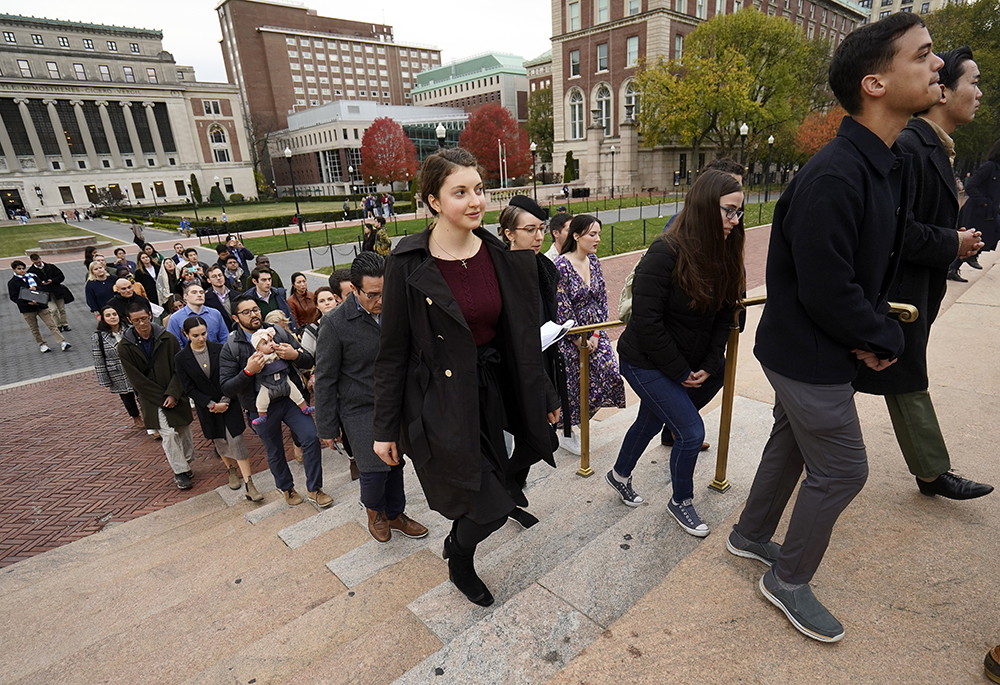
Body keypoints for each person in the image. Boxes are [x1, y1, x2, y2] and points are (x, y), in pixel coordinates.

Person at [729, 13, 945, 643]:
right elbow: (830, 287)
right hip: (807, 352)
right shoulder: (836, 172)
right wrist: (879, 337)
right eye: (923, 55)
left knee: (793, 443)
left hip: (816, 345)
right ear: (875, 84)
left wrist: (870, 332)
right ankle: (788, 579)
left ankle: (748, 536)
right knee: (845, 469)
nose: (937, 66)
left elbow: (869, 258)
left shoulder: (878, 161)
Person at [373, 148, 560, 607]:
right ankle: (459, 555)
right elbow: (392, 349)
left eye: (479, 189)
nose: (476, 201)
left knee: (511, 475)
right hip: (437, 401)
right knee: (488, 505)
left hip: (492, 391)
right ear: (434, 201)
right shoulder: (408, 261)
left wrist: (545, 394)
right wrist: (383, 429)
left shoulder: (499, 254)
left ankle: (466, 537)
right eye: (460, 192)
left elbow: (521, 337)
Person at [853, 46, 992, 500]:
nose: (979, 92)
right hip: (894, 298)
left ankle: (931, 472)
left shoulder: (935, 147)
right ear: (942, 92)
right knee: (882, 375)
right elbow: (896, 231)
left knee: (885, 377)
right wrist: (953, 242)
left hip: (908, 296)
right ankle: (932, 472)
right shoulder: (912, 146)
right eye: (971, 82)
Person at [611, 171, 744, 536]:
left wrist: (704, 365)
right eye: (729, 211)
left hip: (687, 362)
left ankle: (618, 474)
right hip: (644, 360)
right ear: (704, 206)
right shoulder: (665, 251)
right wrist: (681, 370)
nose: (735, 220)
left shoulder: (724, 254)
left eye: (739, 213)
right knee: (689, 430)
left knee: (651, 420)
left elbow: (724, 318)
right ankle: (680, 501)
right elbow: (646, 322)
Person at [314, 253, 429, 542]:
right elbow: (325, 377)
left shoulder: (396, 310)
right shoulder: (335, 323)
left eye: (386, 292)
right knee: (374, 469)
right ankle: (375, 512)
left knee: (396, 462)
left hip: (396, 401)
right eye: (373, 294)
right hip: (360, 408)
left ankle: (396, 513)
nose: (381, 300)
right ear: (353, 290)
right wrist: (326, 427)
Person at [220, 294, 331, 508]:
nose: (254, 314)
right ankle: (287, 487)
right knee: (275, 450)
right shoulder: (232, 346)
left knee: (310, 436)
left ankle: (314, 488)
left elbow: (308, 360)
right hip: (260, 408)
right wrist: (248, 372)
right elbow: (227, 386)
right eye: (246, 312)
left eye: (255, 309)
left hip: (290, 399)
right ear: (235, 317)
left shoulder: (277, 331)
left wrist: (294, 355)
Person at [498, 195, 562, 528]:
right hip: (512, 372)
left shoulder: (543, 267)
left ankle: (511, 486)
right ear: (509, 232)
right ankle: (505, 485)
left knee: (534, 436)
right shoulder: (498, 271)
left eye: (542, 229)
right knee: (543, 438)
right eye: (530, 230)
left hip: (543, 361)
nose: (539, 237)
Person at [555, 214, 626, 451]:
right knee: (574, 385)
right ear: (576, 236)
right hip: (570, 337)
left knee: (610, 373)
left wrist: (595, 334)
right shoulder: (561, 266)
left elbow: (602, 298)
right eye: (592, 234)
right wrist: (578, 338)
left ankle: (580, 418)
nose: (597, 239)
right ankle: (567, 430)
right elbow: (561, 307)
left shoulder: (594, 261)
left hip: (595, 333)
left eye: (598, 234)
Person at [175, 316, 262, 502]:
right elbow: (188, 387)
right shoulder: (181, 358)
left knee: (237, 441)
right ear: (186, 335)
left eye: (204, 333)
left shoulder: (219, 349)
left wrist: (226, 400)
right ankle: (230, 469)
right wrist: (211, 404)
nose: (201, 338)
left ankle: (249, 483)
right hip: (208, 408)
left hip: (229, 402)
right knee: (220, 441)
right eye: (195, 335)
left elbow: (230, 376)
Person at [118, 302, 196, 489]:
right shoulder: (125, 347)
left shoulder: (168, 338)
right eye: (136, 321)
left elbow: (180, 368)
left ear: (150, 316)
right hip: (151, 398)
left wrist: (173, 393)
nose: (141, 323)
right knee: (167, 434)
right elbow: (136, 379)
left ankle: (185, 462)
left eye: (144, 318)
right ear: (129, 321)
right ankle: (180, 472)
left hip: (174, 391)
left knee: (184, 429)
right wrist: (163, 397)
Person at [950, 138, 1000, 281]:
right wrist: (984, 202)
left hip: (989, 212)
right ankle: (964, 260)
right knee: (971, 240)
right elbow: (971, 186)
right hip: (977, 212)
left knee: (975, 240)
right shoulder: (989, 167)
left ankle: (957, 265)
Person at [91, 304, 143, 430]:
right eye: (108, 315)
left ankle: (148, 415)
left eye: (114, 314)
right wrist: (104, 379)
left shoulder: (130, 329)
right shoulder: (98, 337)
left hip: (134, 368)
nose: (112, 317)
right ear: (103, 319)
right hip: (117, 371)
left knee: (142, 394)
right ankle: (136, 417)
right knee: (127, 397)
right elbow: (98, 359)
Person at [8, 261, 70, 353]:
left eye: (23, 268)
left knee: (51, 324)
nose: (22, 271)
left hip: (41, 305)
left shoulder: (33, 277)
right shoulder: (12, 282)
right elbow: (14, 297)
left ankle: (62, 342)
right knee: (34, 328)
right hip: (27, 309)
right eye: (19, 269)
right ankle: (42, 344)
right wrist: (27, 303)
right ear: (14, 270)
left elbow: (44, 288)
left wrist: (36, 289)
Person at [167, 282, 229, 348]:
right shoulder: (175, 318)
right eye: (194, 292)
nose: (199, 295)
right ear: (185, 296)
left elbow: (224, 338)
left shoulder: (215, 314)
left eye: (201, 292)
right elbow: (175, 345)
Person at [28, 253, 74, 332]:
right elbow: (32, 284)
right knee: (53, 310)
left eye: (39, 262)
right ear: (32, 261)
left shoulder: (50, 267)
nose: (38, 264)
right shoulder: (31, 272)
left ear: (40, 258)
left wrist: (52, 280)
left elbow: (61, 276)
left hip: (57, 291)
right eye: (36, 263)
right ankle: (58, 325)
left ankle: (65, 324)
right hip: (45, 293)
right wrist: (41, 284)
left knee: (62, 309)